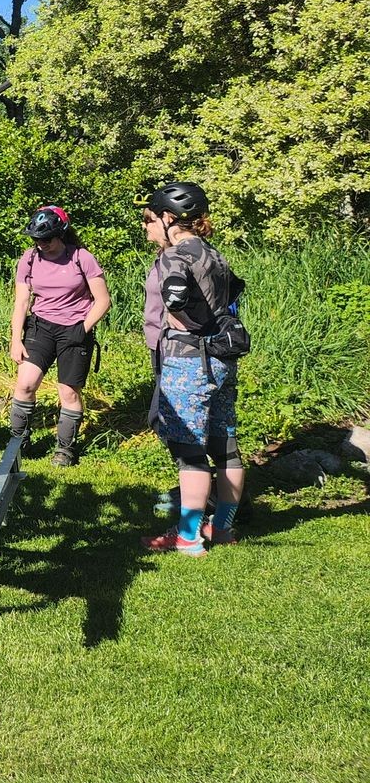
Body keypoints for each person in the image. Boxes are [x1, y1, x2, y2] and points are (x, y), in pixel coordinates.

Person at [142, 181, 243, 555]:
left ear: (170, 218)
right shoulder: (214, 254)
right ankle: (223, 527)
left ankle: (187, 536)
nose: (147, 224)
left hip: (187, 361)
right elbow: (233, 292)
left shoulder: (175, 256)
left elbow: (175, 297)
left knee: (190, 453)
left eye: (151, 217)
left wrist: (189, 324)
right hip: (221, 359)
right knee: (226, 448)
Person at [7, 206, 111, 466]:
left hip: (75, 329)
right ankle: (18, 441)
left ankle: (65, 449)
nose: (42, 244)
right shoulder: (29, 259)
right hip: (41, 327)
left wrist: (82, 329)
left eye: (47, 239)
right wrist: (16, 338)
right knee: (25, 384)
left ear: (61, 234)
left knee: (68, 392)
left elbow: (103, 300)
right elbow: (21, 301)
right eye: (37, 240)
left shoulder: (82, 258)